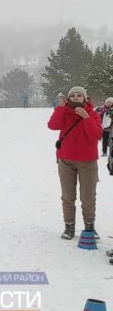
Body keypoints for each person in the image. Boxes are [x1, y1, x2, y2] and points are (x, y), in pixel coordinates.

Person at [48, 86, 102, 240]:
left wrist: (87, 118)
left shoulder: (93, 114)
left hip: (88, 162)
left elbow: (96, 135)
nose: (76, 97)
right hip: (66, 160)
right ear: (69, 98)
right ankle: (69, 226)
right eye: (73, 95)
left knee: (88, 196)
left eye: (79, 95)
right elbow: (52, 125)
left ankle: (89, 226)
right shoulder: (64, 112)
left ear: (85, 98)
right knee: (67, 196)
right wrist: (60, 108)